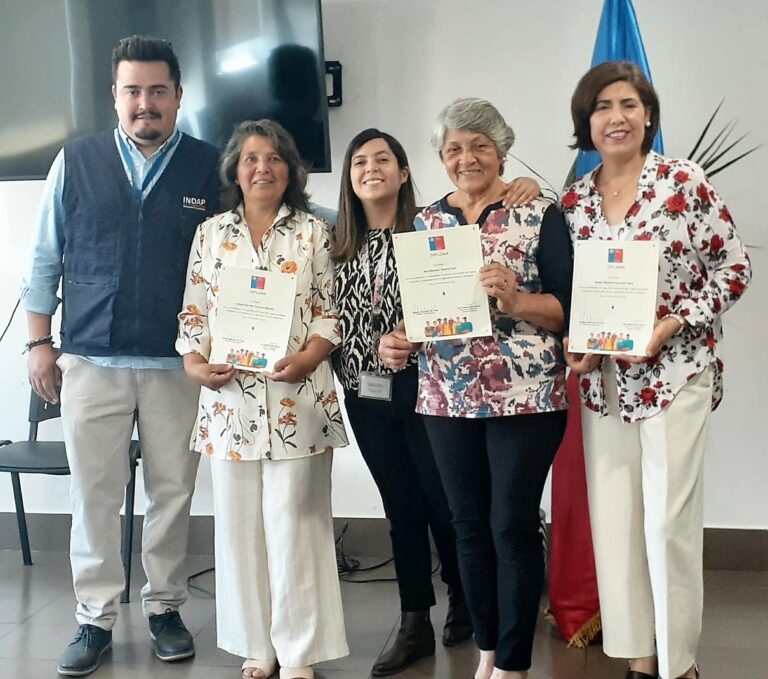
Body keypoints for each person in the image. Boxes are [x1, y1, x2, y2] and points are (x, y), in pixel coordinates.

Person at [22, 35, 220, 677]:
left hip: (176, 366)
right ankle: (94, 619)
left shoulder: (209, 166)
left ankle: (165, 608)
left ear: (178, 97)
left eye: (157, 91)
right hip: (90, 361)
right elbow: (44, 260)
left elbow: (269, 225)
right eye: (132, 91)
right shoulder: (74, 161)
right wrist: (38, 344)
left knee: (172, 492)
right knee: (95, 496)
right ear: (115, 96)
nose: (145, 104)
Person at [560, 61, 752, 679]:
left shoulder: (681, 183)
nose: (616, 117)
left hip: (676, 375)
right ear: (585, 124)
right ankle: (640, 659)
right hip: (605, 385)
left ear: (648, 115)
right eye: (602, 108)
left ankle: (678, 664)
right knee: (615, 524)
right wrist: (581, 348)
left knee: (668, 523)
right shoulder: (573, 203)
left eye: (628, 104)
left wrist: (672, 323)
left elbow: (734, 268)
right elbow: (574, 297)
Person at [332, 128, 541, 677]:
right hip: (364, 388)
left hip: (431, 386)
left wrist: (520, 183)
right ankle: (413, 620)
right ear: (347, 178)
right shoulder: (333, 242)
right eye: (359, 162)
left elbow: (487, 214)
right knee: (401, 507)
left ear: (405, 172)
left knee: (449, 504)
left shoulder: (431, 226)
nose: (371, 168)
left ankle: (467, 604)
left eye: (383, 159)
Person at [379, 98, 573, 679]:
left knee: (510, 524)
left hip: (528, 393)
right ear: (441, 158)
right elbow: (417, 314)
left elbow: (569, 312)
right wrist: (400, 340)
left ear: (502, 150)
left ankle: (513, 663)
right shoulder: (424, 223)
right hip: (445, 394)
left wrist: (516, 302)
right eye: (454, 149)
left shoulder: (538, 211)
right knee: (466, 527)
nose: (467, 158)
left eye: (479, 146)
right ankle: (486, 646)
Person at [176, 119, 348, 679]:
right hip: (229, 405)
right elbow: (194, 312)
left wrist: (309, 356)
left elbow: (329, 311)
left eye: (274, 157)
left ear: (291, 170)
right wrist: (194, 362)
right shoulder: (211, 234)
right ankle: (258, 645)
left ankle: (298, 651)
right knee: (239, 526)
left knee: (296, 523)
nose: (262, 168)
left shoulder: (313, 233)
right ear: (235, 170)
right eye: (250, 158)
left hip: (299, 397)